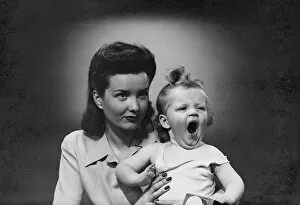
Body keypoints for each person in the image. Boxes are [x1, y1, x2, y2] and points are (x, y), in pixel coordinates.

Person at [52, 41, 171, 205]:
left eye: (142, 94)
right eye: (122, 95)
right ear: (98, 99)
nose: (135, 107)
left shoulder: (168, 140)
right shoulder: (76, 145)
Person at [116, 67, 245, 205]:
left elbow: (234, 181)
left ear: (207, 118)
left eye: (200, 108)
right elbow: (122, 168)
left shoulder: (211, 153)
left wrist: (229, 197)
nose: (193, 112)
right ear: (165, 121)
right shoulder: (156, 150)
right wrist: (139, 179)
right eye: (183, 108)